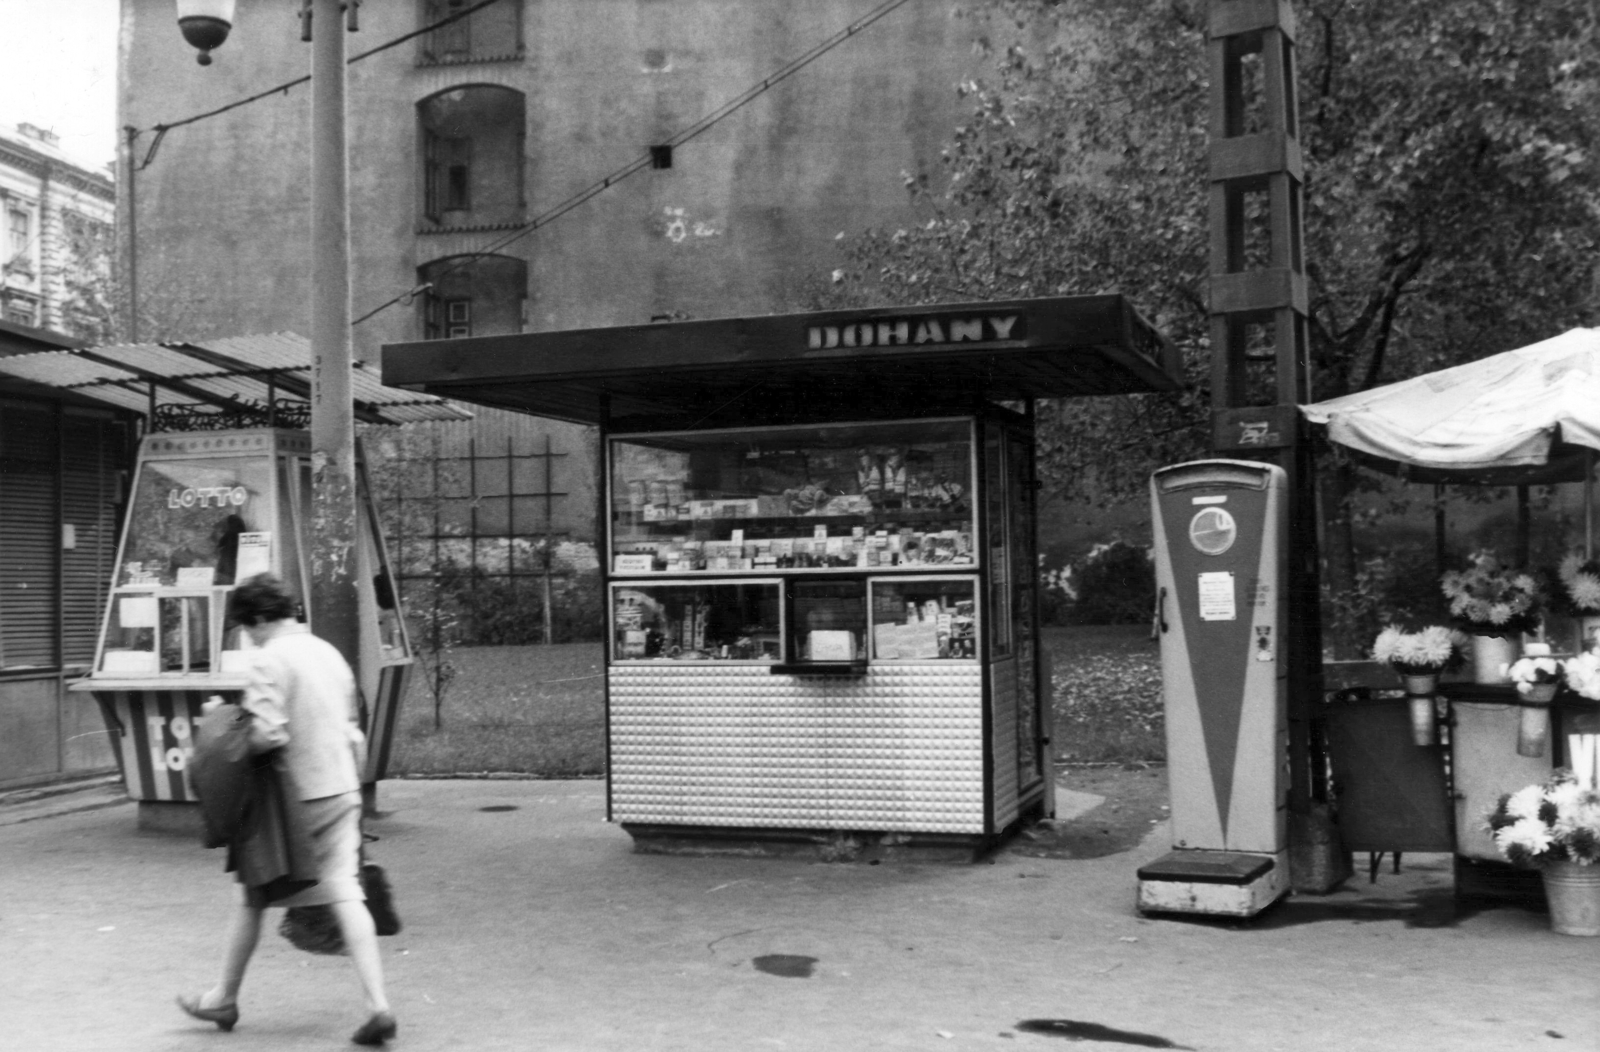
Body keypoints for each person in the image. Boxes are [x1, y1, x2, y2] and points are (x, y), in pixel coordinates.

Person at [178, 574, 396, 1046]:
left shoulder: (268, 660)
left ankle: (223, 998)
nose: (246, 636)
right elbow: (350, 723)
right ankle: (378, 1005)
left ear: (259, 619)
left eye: (245, 627)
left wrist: (225, 726)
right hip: (341, 787)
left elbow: (269, 733)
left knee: (251, 892)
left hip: (292, 800)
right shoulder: (327, 651)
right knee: (345, 892)